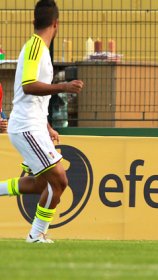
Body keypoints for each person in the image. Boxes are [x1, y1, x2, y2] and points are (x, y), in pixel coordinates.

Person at [0, 0, 84, 243]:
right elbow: (28, 86)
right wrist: (64, 86)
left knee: (41, 185)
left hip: (34, 126)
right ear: (56, 24)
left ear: (34, 21)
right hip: (26, 127)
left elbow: (38, 98)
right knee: (60, 180)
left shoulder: (40, 50)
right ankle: (36, 235)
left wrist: (47, 125)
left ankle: (36, 234)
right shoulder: (35, 47)